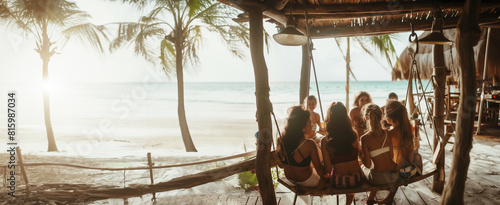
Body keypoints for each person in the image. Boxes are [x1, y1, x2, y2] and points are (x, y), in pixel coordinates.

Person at [321, 102, 361, 205]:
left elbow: (328, 169)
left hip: (339, 181)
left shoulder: (325, 141)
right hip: (357, 179)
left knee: (336, 172)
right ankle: (349, 200)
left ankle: (348, 199)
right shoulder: (353, 134)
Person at [359, 103, 399, 205]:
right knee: (376, 167)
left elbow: (367, 164)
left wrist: (360, 155)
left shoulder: (364, 138)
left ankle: (370, 198)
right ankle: (372, 198)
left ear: (366, 118)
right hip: (394, 174)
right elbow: (391, 157)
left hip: (378, 179)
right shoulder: (387, 133)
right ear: (381, 116)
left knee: (364, 168)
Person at [277, 106, 325, 188]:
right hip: (307, 180)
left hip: (290, 179)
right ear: (302, 127)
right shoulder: (309, 143)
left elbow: (280, 165)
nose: (312, 124)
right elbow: (320, 169)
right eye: (310, 122)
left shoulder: (282, 139)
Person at [385, 100, 422, 179]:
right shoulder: (410, 127)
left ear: (391, 117)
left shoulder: (390, 134)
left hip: (399, 170)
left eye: (385, 113)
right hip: (411, 167)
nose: (384, 116)